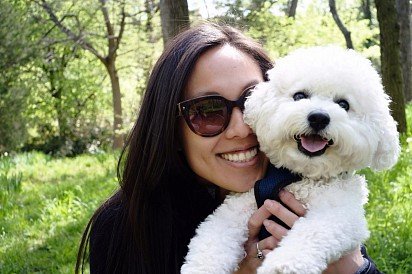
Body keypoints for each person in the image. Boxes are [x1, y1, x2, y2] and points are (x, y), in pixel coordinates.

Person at [76, 22, 380, 274]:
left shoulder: (312, 179)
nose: (240, 128)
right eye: (207, 110)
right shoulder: (126, 228)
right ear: (170, 129)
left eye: (250, 100)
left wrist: (351, 266)